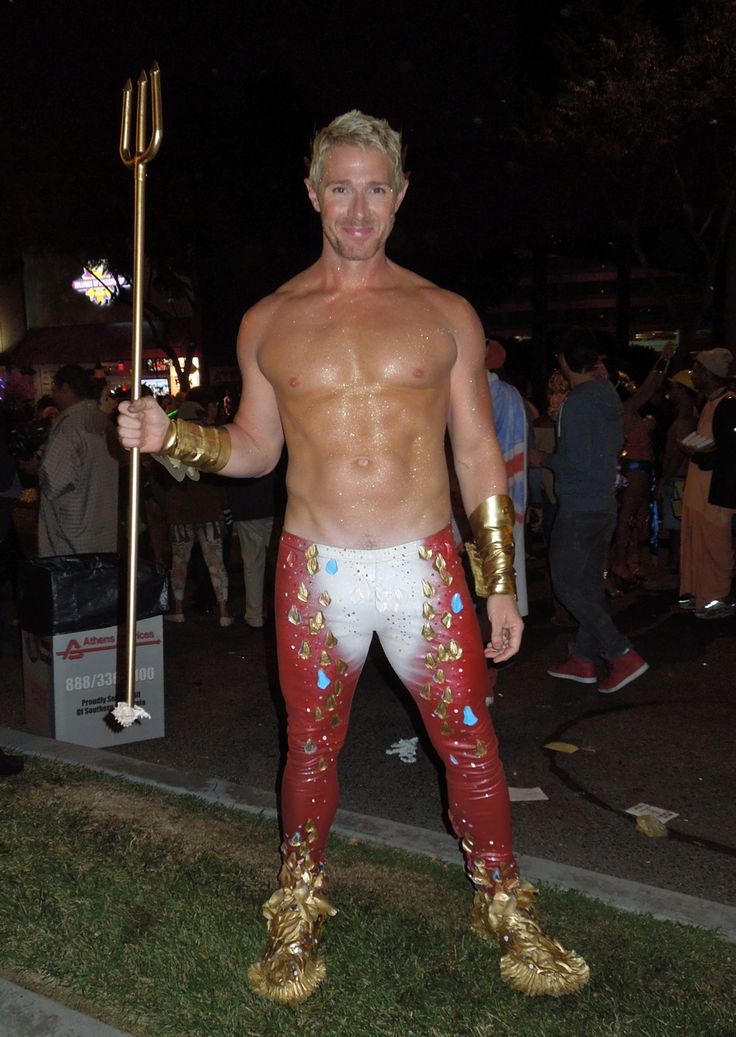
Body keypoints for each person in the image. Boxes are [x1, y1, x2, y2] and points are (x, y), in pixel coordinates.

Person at [118, 110, 589, 1003]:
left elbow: (478, 455)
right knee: (309, 747)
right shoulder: (269, 319)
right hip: (316, 570)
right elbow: (254, 450)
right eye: (342, 186)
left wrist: (500, 582)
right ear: (313, 195)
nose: (359, 207)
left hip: (425, 567)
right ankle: (297, 899)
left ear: (401, 195)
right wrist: (171, 433)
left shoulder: (444, 312)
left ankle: (505, 899)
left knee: (472, 745)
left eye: (377, 188)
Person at [530, 327, 649, 693]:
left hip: (580, 507)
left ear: (564, 361)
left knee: (568, 584)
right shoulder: (605, 395)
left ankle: (620, 653)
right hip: (602, 505)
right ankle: (583, 658)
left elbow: (577, 463)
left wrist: (542, 459)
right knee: (587, 586)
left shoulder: (578, 402)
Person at [38, 365, 119, 557]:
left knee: (78, 584)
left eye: (55, 390)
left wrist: (39, 467)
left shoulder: (69, 427)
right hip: (104, 525)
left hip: (73, 532)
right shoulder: (103, 421)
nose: (54, 396)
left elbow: (55, 483)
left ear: (66, 388)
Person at [610, 343, 675, 584]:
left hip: (642, 466)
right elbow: (650, 388)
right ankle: (621, 561)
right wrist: (663, 360)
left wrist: (663, 362)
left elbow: (649, 388)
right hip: (635, 466)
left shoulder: (630, 410)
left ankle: (631, 559)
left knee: (637, 517)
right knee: (628, 516)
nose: (632, 387)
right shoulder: (624, 409)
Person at [679, 348, 736, 619]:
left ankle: (716, 598)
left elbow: (729, 453)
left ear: (710, 374)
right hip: (701, 490)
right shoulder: (712, 402)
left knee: (715, 548)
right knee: (697, 545)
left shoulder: (728, 404)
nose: (694, 374)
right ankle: (698, 595)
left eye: (698, 370)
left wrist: (700, 455)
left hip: (715, 492)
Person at [658, 370, 698, 575]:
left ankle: (676, 568)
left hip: (678, 479)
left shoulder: (685, 419)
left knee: (676, 528)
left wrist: (665, 479)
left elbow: (680, 452)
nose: (670, 393)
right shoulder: (691, 415)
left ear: (683, 390)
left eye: (674, 388)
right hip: (683, 478)